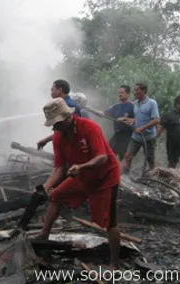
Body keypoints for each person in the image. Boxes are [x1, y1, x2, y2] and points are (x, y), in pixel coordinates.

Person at [35, 98, 121, 267]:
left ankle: (114, 263)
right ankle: (43, 235)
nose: (55, 127)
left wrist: (82, 167)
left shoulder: (90, 128)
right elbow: (59, 168)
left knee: (110, 221)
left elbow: (102, 157)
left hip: (105, 177)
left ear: (68, 117)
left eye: (57, 123)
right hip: (82, 177)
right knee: (55, 196)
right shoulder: (59, 137)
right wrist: (45, 187)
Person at [120, 83, 160, 174]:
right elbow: (137, 117)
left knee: (151, 161)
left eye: (137, 90)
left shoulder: (152, 103)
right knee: (127, 156)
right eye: (134, 90)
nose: (135, 92)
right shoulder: (136, 103)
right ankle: (121, 176)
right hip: (136, 137)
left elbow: (157, 120)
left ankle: (153, 180)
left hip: (149, 138)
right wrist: (131, 121)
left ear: (144, 91)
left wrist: (142, 128)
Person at [92, 85, 135, 160]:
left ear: (128, 94)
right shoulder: (116, 106)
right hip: (117, 134)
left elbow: (137, 119)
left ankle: (124, 171)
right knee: (108, 154)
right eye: (119, 93)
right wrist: (90, 109)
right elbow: (103, 114)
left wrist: (124, 119)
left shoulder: (133, 106)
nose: (120, 94)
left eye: (122, 92)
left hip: (127, 136)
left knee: (124, 158)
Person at [37, 79, 83, 149]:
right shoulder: (69, 103)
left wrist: (45, 140)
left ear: (60, 90)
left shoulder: (67, 105)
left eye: (52, 90)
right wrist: (45, 140)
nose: (51, 93)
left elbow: (69, 131)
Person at [157, 96, 180, 168]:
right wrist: (153, 139)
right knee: (172, 164)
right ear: (177, 104)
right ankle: (167, 177)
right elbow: (159, 129)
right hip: (173, 145)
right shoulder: (168, 116)